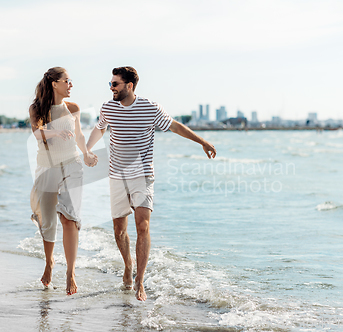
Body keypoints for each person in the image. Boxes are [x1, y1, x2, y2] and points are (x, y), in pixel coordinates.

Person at [86, 66, 216, 301]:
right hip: (117, 176)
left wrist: (202, 142)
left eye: (115, 84)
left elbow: (175, 126)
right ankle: (128, 266)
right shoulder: (108, 108)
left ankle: (140, 280)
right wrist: (87, 149)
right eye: (110, 84)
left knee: (143, 226)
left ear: (129, 86)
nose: (111, 88)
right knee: (119, 230)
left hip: (143, 175)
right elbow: (100, 128)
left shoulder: (150, 107)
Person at [29, 67, 97, 295]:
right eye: (67, 81)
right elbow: (37, 133)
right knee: (48, 221)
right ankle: (49, 262)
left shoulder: (73, 108)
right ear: (54, 83)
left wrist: (86, 153)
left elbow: (78, 134)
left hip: (72, 163)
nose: (71, 85)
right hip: (47, 166)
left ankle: (71, 272)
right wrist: (55, 133)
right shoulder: (37, 108)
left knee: (70, 217)